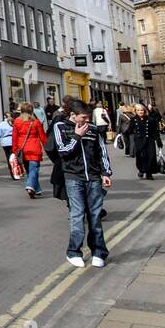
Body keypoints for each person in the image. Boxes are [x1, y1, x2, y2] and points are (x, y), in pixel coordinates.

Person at [54, 98, 112, 268]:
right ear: (73, 115)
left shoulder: (93, 129)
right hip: (73, 177)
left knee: (94, 216)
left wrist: (105, 173)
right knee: (77, 215)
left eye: (88, 118)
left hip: (93, 177)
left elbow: (101, 151)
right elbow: (63, 151)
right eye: (83, 118)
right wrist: (77, 137)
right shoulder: (61, 127)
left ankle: (98, 252)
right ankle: (73, 252)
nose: (87, 121)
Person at [13, 102, 47, 198]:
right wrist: (47, 148)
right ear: (32, 111)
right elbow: (43, 137)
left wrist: (15, 150)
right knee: (34, 169)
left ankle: (37, 189)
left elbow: (14, 137)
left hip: (22, 149)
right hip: (34, 148)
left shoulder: (17, 121)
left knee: (29, 170)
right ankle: (31, 186)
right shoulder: (36, 122)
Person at [124, 103, 158, 180]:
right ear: (136, 111)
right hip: (139, 140)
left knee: (151, 156)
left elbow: (155, 131)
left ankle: (149, 173)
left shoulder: (150, 119)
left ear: (144, 111)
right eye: (138, 110)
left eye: (142, 110)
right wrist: (124, 133)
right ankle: (141, 170)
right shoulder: (133, 120)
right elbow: (130, 129)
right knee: (141, 156)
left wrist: (158, 141)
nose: (140, 112)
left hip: (149, 140)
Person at [0, 111, 16, 179]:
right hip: (13, 141)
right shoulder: (14, 123)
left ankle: (12, 172)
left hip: (5, 143)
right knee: (14, 156)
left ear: (4, 116)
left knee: (8, 157)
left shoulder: (1, 125)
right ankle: (16, 171)